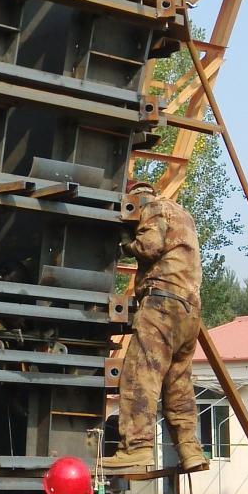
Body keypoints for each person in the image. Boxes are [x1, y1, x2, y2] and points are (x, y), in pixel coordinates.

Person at [105, 176, 206, 475]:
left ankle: (135, 449)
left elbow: (149, 246)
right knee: (178, 384)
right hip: (190, 310)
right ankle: (189, 450)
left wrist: (124, 240)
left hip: (162, 302)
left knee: (140, 375)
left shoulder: (152, 208)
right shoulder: (181, 212)